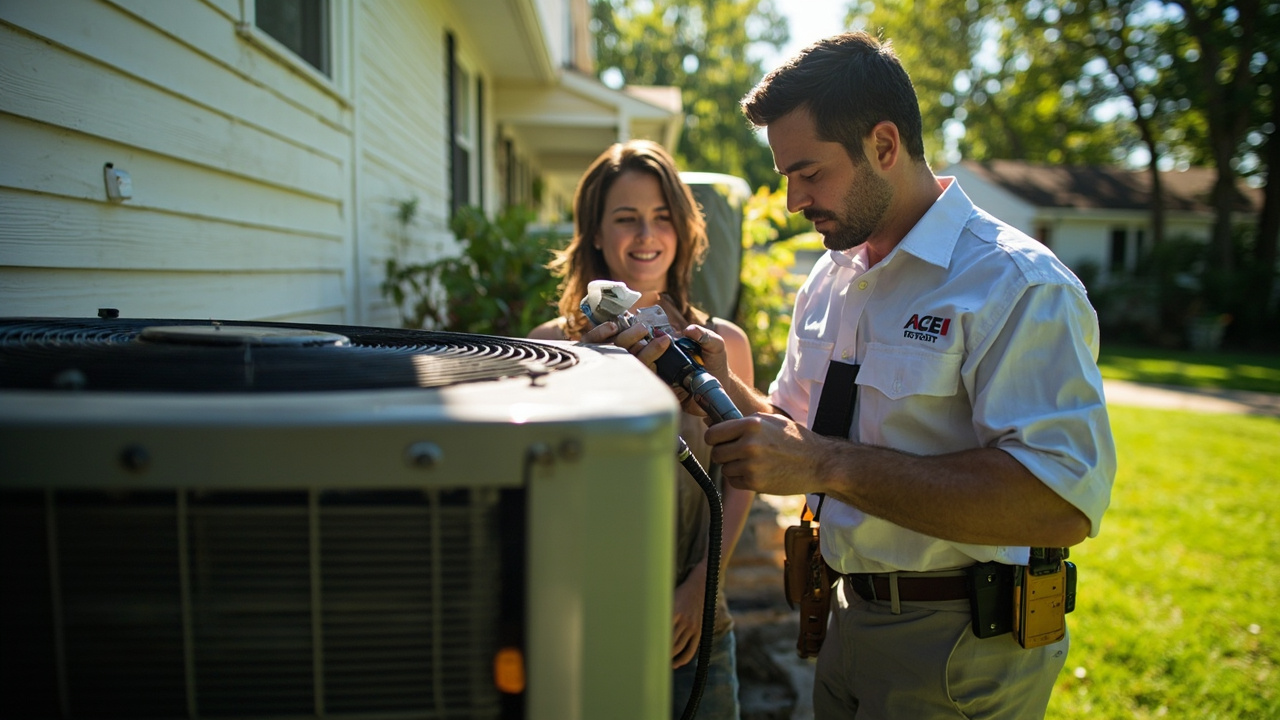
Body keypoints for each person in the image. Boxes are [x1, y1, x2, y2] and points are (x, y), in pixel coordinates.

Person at [587, 32, 1117, 719]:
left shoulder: (1014, 283)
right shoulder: (833, 276)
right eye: (785, 176)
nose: (791, 200)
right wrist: (705, 377)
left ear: (885, 146)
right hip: (844, 618)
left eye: (808, 173)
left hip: (961, 647)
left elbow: (1059, 502)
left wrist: (828, 467)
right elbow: (800, 435)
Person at [529, 139, 757, 719]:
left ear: (683, 231)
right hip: (583, 618)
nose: (646, 235)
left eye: (661, 217)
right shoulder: (552, 345)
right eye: (626, 219)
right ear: (596, 234)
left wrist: (703, 584)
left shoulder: (720, 344)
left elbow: (743, 475)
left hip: (694, 617)